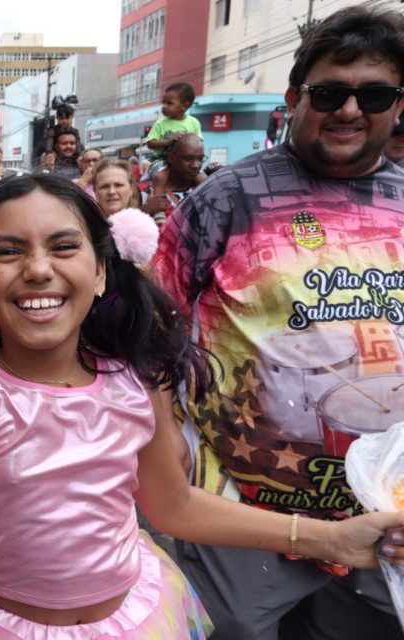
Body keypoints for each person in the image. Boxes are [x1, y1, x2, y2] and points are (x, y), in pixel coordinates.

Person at [0, 121, 404, 640]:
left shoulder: (139, 380)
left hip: (134, 619)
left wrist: (333, 539)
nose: (38, 269)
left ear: (103, 272)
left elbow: (175, 506)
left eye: (63, 246)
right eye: (7, 252)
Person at [152, 7, 404, 639]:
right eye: (329, 93)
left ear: (398, 106)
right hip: (243, 517)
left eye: (373, 94)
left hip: (384, 518)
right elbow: (152, 338)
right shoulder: (222, 200)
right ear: (294, 98)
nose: (350, 110)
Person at [142, 133, 206, 225]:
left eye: (200, 159)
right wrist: (144, 210)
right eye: (188, 159)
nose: (196, 165)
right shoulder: (146, 191)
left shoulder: (205, 187)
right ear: (170, 158)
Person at [146, 82, 204, 161]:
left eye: (169, 103)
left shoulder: (194, 122)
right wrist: (168, 142)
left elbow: (198, 142)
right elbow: (150, 143)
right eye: (164, 103)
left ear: (184, 106)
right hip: (163, 161)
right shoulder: (160, 123)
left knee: (201, 174)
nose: (164, 107)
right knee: (160, 174)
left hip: (186, 162)